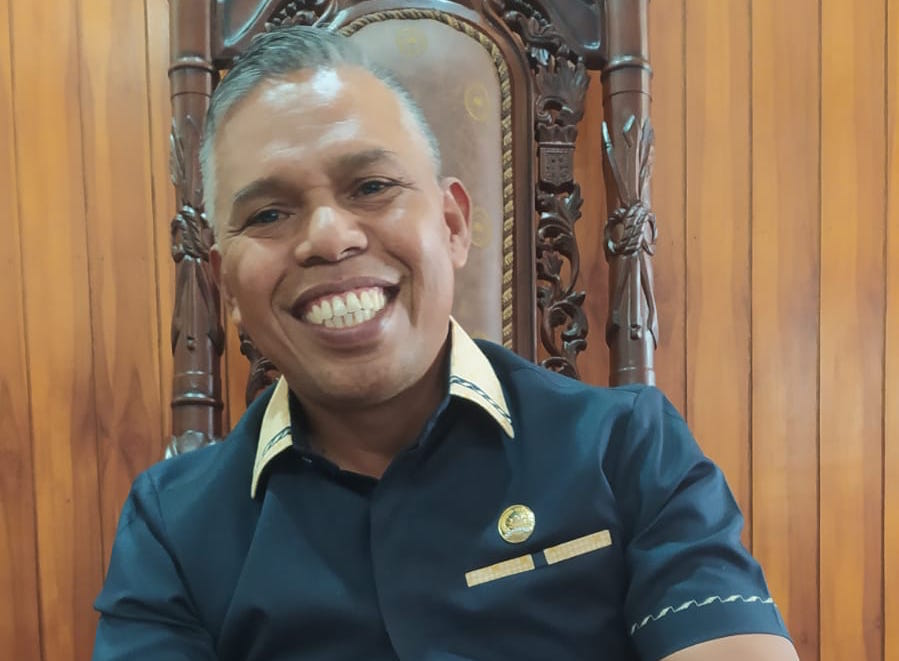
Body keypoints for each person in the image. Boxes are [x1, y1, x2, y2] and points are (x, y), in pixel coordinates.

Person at [93, 26, 798, 661]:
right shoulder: (172, 526)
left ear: (454, 225)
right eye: (269, 214)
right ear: (224, 283)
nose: (329, 237)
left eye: (371, 186)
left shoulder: (628, 448)